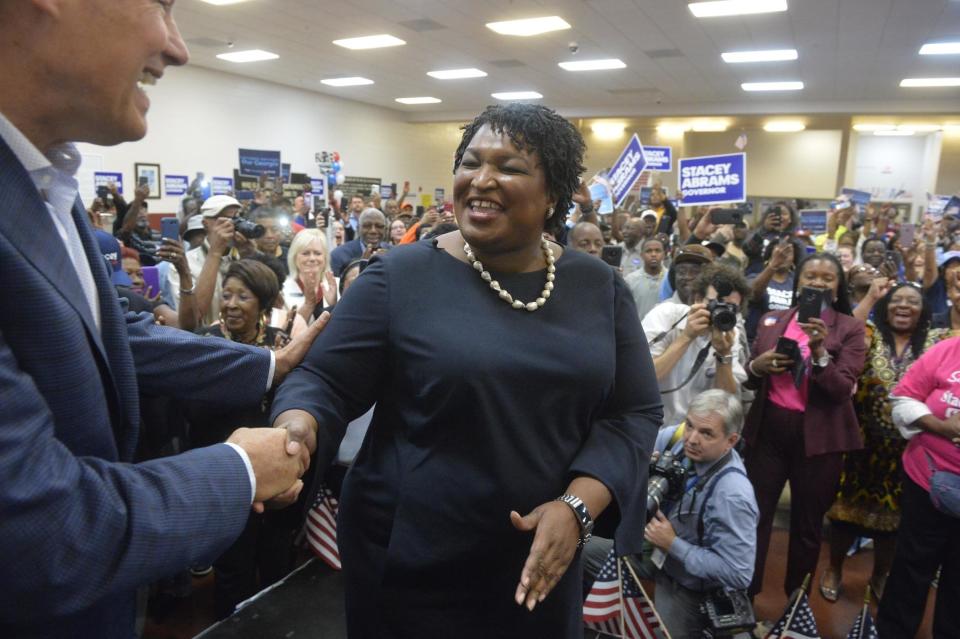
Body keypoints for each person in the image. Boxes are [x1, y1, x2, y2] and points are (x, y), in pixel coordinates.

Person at [269, 103, 663, 638]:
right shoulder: (398, 276)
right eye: (470, 163)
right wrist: (298, 425)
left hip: (541, 558)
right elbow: (325, 382)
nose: (482, 180)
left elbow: (633, 412)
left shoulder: (598, 287)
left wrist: (577, 508)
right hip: (413, 562)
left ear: (554, 194)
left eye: (510, 167)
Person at [0, 4, 324, 637]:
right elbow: (44, 531)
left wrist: (273, 361)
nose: (176, 47)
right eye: (161, 5)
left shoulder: (46, 187)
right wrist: (239, 471)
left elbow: (116, 338)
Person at [743, 253, 867, 598]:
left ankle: (794, 605)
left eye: (828, 278)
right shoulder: (772, 320)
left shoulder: (850, 327)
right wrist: (758, 366)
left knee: (808, 527)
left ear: (839, 285)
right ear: (798, 281)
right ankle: (743, 599)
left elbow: (843, 390)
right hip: (768, 432)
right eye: (811, 275)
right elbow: (749, 379)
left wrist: (820, 353)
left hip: (820, 440)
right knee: (754, 518)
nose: (818, 282)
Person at [585, 390, 758, 638]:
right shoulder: (676, 439)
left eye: (706, 433)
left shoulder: (732, 495)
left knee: (662, 634)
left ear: (731, 441)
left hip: (688, 585)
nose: (692, 439)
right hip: (652, 550)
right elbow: (632, 454)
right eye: (690, 425)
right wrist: (641, 465)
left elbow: (739, 573)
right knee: (579, 547)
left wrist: (674, 544)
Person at [184, 260, 301, 618]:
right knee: (232, 572)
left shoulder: (280, 347)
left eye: (243, 296)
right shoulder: (205, 343)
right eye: (227, 294)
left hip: (274, 477)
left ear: (263, 305)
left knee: (277, 566)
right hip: (225, 476)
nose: (231, 304)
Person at [821, 283, 947, 603]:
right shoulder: (870, 334)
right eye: (897, 300)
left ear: (924, 310)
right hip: (859, 444)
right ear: (886, 305)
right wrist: (871, 298)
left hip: (910, 452)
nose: (903, 306)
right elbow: (845, 328)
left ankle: (880, 574)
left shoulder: (936, 341)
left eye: (912, 302)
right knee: (844, 513)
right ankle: (835, 569)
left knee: (894, 523)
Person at [876, 336, 960, 638]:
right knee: (910, 570)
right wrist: (942, 427)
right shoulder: (949, 350)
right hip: (927, 480)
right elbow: (903, 399)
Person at [642, 263, 749, 426]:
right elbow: (643, 377)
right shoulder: (667, 315)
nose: (722, 311)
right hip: (650, 421)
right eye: (716, 303)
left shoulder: (731, 335)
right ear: (698, 299)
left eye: (731, 307)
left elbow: (725, 401)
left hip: (692, 431)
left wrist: (723, 355)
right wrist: (686, 336)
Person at [282, 229, 338, 323]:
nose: (312, 258)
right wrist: (308, 305)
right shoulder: (283, 289)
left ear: (325, 258)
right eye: (305, 253)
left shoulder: (337, 285)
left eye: (317, 253)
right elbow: (285, 333)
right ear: (294, 257)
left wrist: (334, 305)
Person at [330, 207, 388, 276]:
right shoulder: (339, 256)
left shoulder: (392, 253)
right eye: (367, 226)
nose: (373, 231)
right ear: (358, 229)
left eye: (379, 226)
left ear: (385, 230)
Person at [624, 236, 666, 321]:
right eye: (648, 251)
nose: (653, 254)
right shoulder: (630, 280)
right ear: (641, 255)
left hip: (666, 332)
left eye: (657, 250)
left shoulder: (670, 278)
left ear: (664, 254)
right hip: (639, 331)